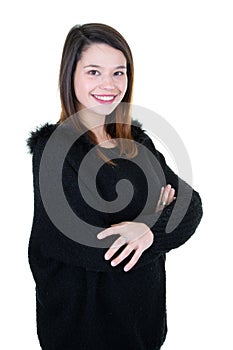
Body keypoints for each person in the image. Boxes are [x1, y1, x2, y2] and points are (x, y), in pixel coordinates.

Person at [26, 23, 203, 350]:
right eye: (94, 71)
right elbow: (100, 250)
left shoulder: (137, 143)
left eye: (118, 73)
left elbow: (190, 206)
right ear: (71, 75)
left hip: (143, 330)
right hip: (83, 333)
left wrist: (147, 230)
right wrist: (154, 215)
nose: (108, 84)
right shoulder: (54, 152)